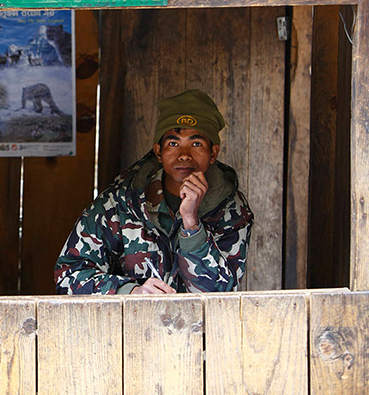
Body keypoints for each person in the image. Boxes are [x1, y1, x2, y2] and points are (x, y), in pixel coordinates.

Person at [55, 89, 253, 294]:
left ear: (213, 153)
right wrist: (130, 292)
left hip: (199, 325)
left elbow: (221, 294)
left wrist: (191, 224)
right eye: (173, 143)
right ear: (159, 151)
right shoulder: (119, 202)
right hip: (131, 323)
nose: (184, 155)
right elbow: (68, 275)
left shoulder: (231, 210)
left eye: (196, 143)